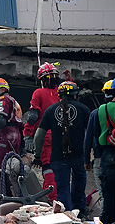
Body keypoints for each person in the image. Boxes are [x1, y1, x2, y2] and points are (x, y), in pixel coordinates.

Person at [34, 81, 90, 213]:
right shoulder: (83, 109)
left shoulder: (50, 110)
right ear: (75, 95)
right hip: (78, 156)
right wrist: (89, 156)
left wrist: (37, 156)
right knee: (79, 184)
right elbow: (90, 135)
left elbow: (39, 136)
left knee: (62, 188)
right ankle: (80, 211)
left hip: (58, 157)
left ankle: (66, 215)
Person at [23, 62, 60, 201]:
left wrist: (27, 134)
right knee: (60, 169)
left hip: (46, 137)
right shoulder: (61, 94)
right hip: (63, 137)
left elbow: (33, 116)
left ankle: (52, 199)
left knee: (48, 167)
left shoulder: (39, 92)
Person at [94, 77, 115, 224]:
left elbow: (97, 134)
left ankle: (108, 219)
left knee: (108, 190)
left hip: (107, 152)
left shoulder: (102, 109)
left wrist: (98, 155)